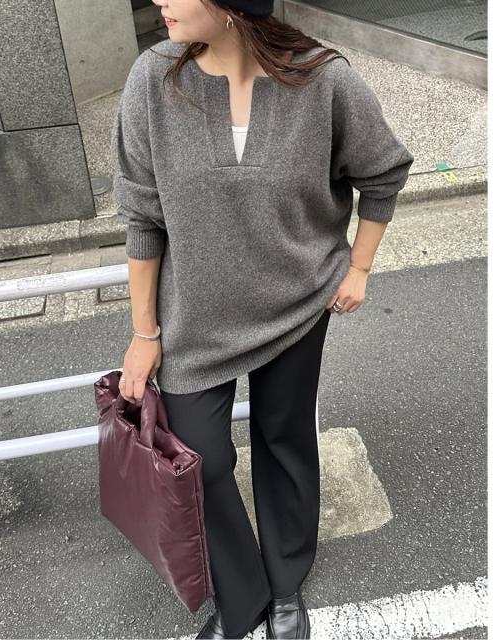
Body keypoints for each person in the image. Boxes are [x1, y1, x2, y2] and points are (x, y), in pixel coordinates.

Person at [113, 1, 414, 637]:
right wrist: (144, 333)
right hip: (193, 320)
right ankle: (241, 594)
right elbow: (142, 216)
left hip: (297, 305)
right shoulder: (153, 78)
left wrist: (358, 268)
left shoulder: (323, 79)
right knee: (198, 458)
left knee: (284, 439)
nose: (160, 1)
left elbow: (384, 170)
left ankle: (284, 586)